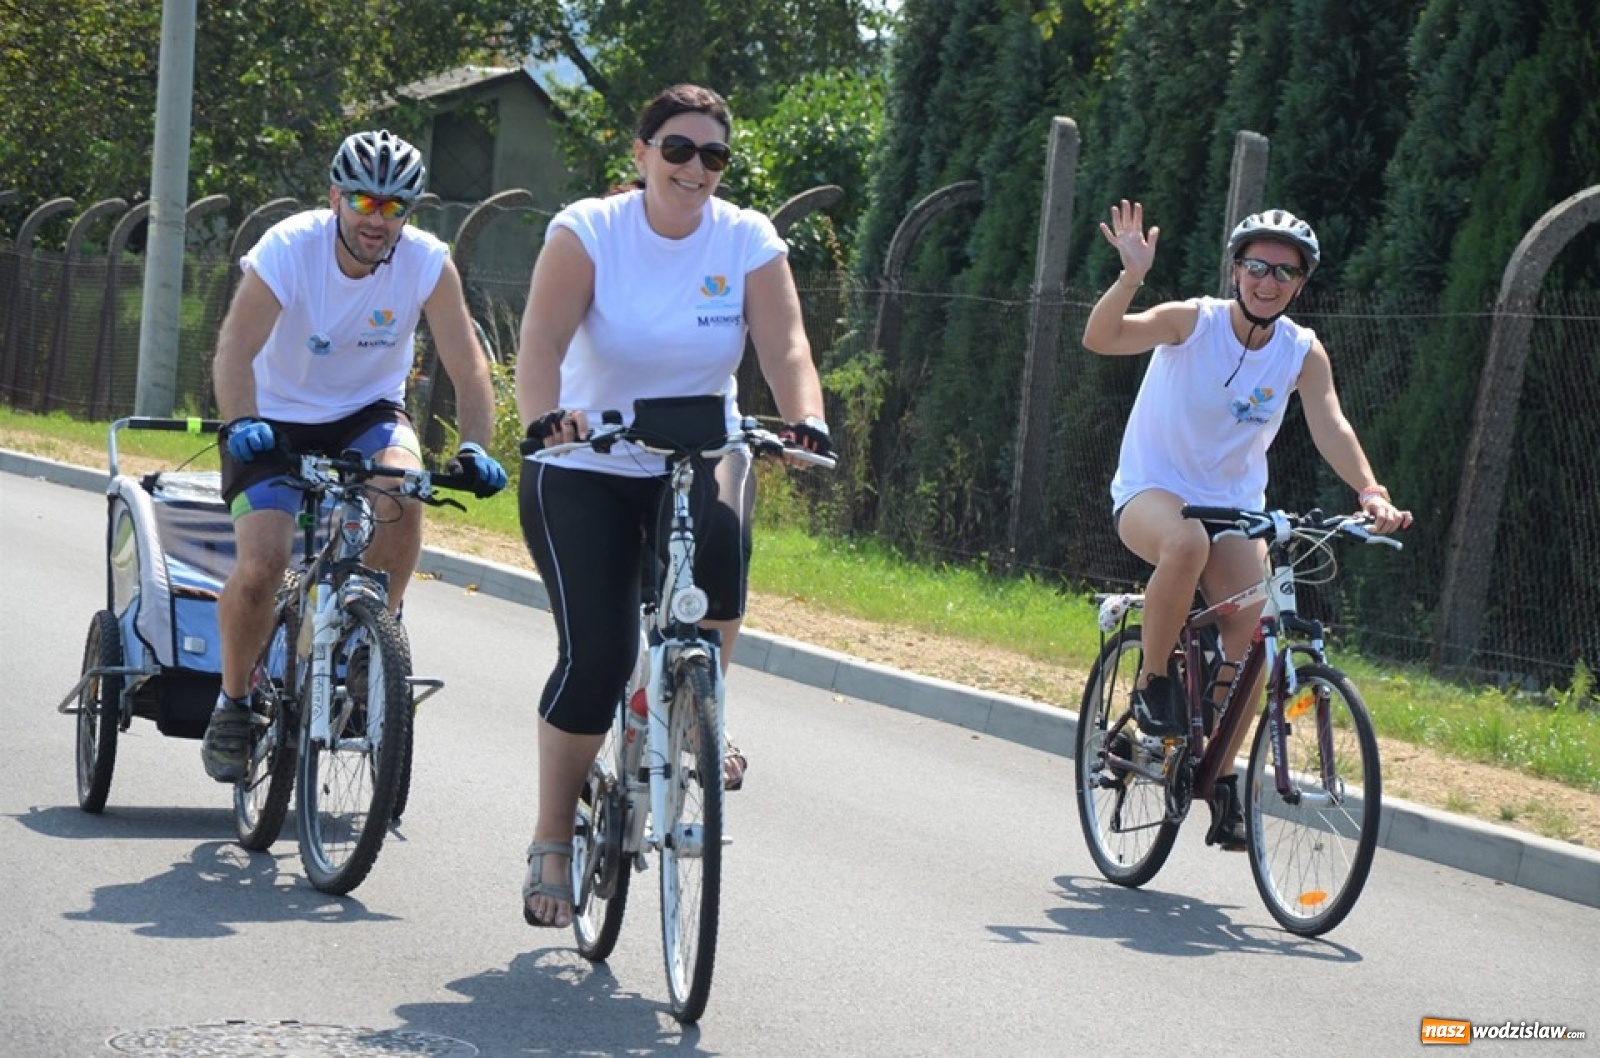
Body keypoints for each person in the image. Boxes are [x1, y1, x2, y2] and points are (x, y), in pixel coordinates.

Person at [514, 84, 832, 928]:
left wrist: (806, 420)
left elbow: (786, 344)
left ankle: (690, 705)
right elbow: (542, 339)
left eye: (714, 156)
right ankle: (552, 838)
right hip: (587, 458)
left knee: (719, 577)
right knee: (599, 656)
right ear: (643, 153)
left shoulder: (747, 238)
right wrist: (546, 420)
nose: (697, 170)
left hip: (698, 447)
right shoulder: (589, 230)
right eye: (680, 151)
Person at [1082, 200, 1411, 850]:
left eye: (1284, 273)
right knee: (1186, 540)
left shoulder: (1300, 352)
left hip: (1233, 507)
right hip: (1153, 491)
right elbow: (1102, 337)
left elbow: (1331, 423)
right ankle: (1153, 685)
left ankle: (1220, 775)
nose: (1268, 281)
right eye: (1257, 266)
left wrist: (1370, 492)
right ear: (1237, 270)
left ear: (1301, 284)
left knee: (1254, 628)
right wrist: (1129, 277)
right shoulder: (1193, 322)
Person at [200, 129, 508, 783]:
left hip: (367, 413)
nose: (378, 220)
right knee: (262, 566)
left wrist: (476, 443)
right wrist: (241, 422)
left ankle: (376, 638)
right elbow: (233, 349)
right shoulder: (288, 248)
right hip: (275, 418)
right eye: (365, 203)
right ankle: (233, 702)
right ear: (336, 197)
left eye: (394, 207)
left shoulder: (426, 260)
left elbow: (469, 366)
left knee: (401, 488)